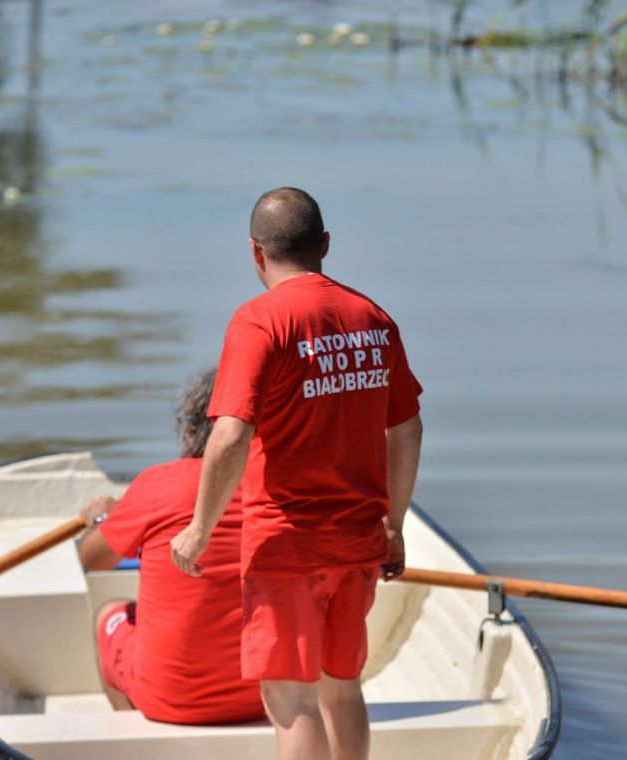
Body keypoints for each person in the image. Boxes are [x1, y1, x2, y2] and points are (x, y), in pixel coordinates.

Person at [170, 187, 424, 760]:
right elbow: (407, 430)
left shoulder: (259, 322)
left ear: (256, 254)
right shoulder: (372, 317)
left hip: (286, 545)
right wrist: (394, 525)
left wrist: (200, 530)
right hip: (359, 540)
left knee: (291, 702)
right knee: (341, 689)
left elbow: (231, 435)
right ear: (325, 246)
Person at [75, 368, 265, 725]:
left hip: (171, 702)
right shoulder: (281, 489)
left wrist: (103, 521)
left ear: (190, 426)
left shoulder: (159, 484)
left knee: (110, 612)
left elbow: (92, 559)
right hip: (273, 696)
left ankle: (137, 737)